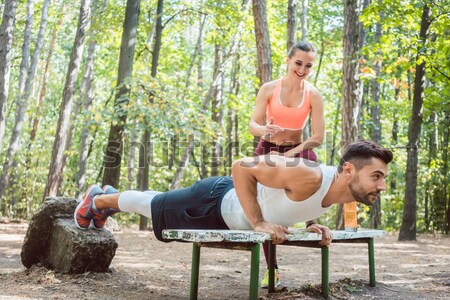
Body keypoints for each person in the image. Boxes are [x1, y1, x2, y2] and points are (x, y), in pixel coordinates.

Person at [74, 141, 392, 288]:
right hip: (216, 200)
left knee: (156, 201)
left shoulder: (338, 192)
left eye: (383, 178)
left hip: (225, 214)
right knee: (153, 207)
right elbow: (241, 167)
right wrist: (258, 223)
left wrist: (312, 224)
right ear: (349, 170)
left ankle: (107, 196)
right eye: (376, 176)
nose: (381, 185)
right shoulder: (308, 174)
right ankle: (98, 200)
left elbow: (289, 203)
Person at [248, 41, 326, 287]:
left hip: (298, 151)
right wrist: (264, 129)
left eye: (308, 66)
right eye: (298, 63)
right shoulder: (269, 88)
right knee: (264, 206)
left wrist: (293, 152)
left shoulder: (313, 94)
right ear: (288, 60)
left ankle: (312, 222)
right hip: (269, 148)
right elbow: (253, 125)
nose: (302, 69)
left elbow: (318, 137)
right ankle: (272, 269)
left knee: (318, 175)